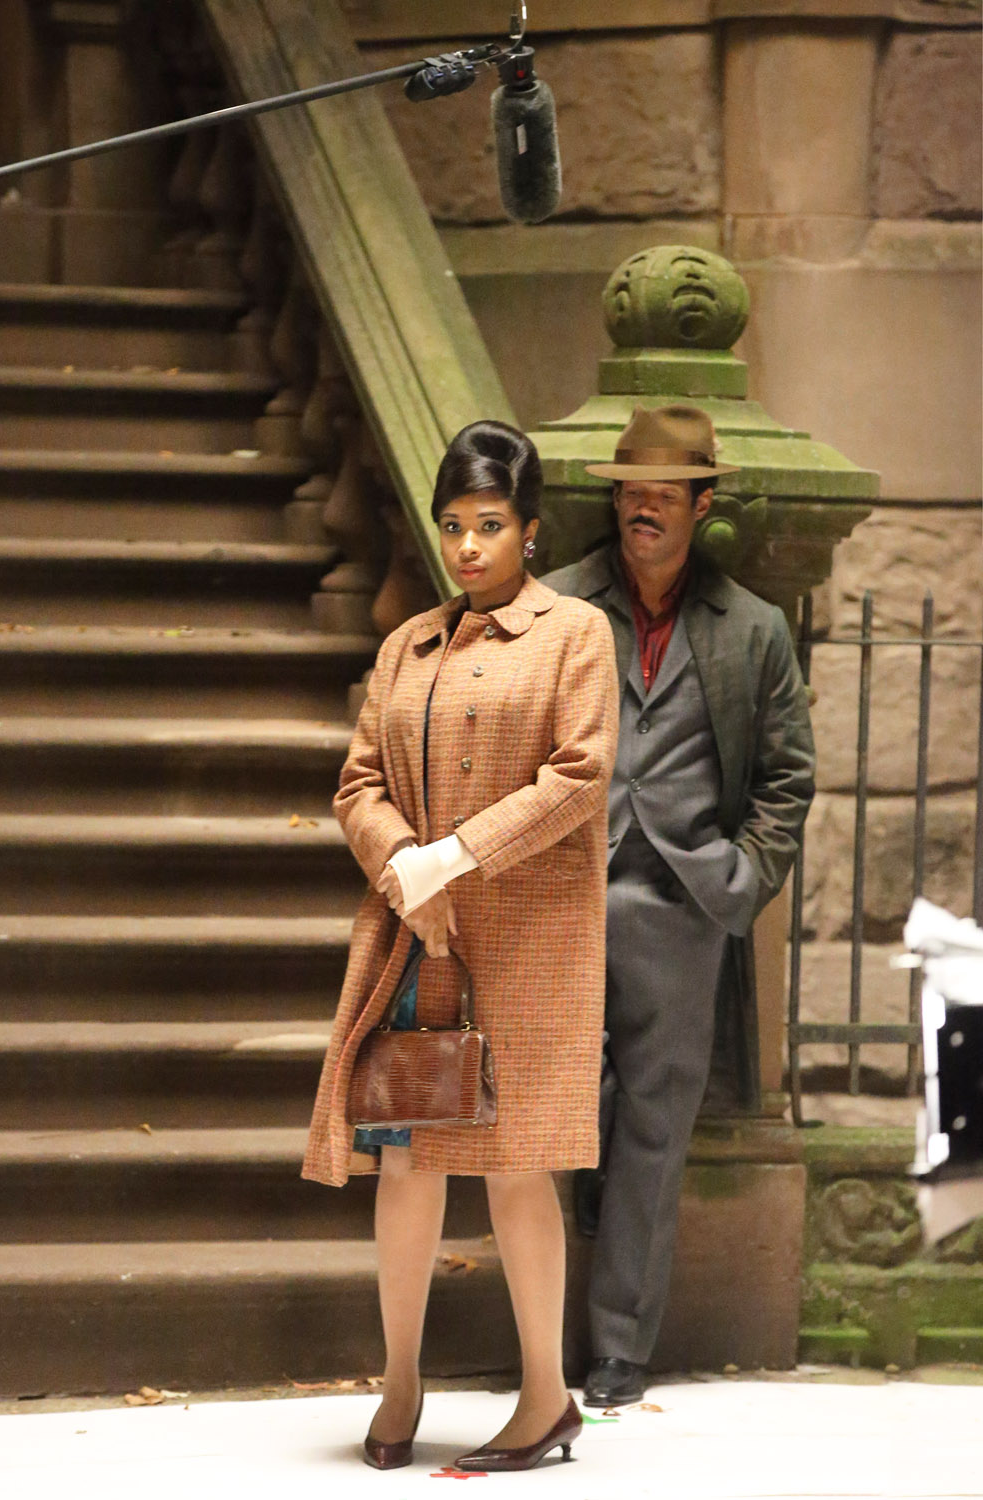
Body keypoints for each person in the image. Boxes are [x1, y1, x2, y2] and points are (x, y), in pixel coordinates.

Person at [302, 420, 619, 1472]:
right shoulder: (409, 645)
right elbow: (356, 784)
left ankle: (544, 1394)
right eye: (452, 525)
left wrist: (457, 859)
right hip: (415, 938)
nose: (469, 545)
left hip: (523, 941)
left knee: (520, 1168)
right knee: (406, 1157)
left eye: (489, 525)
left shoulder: (573, 633)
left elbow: (577, 779)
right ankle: (400, 1380)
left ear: (530, 531)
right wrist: (404, 866)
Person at [543, 403, 816, 1409]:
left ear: (703, 507)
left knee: (657, 1127)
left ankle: (618, 1347)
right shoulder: (560, 604)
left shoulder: (753, 629)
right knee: (561, 1110)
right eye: (629, 494)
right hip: (562, 892)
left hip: (681, 900)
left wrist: (742, 879)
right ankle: (537, 1326)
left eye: (663, 496)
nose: (641, 511)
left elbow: (787, 777)